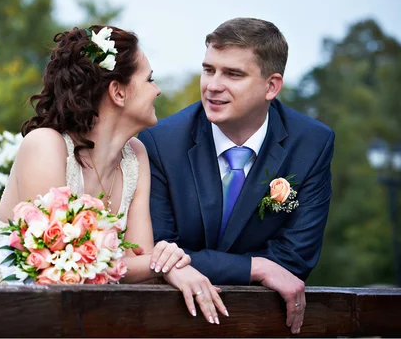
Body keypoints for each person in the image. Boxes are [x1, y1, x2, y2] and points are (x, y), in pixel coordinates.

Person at [0, 25, 227, 324]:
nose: (158, 89)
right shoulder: (46, 146)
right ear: (118, 92)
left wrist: (162, 261)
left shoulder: (136, 156)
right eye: (149, 79)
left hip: (55, 318)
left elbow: (140, 260)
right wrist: (168, 266)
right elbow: (59, 263)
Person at [138, 17, 335, 335]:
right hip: (171, 321)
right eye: (209, 69)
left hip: (262, 325)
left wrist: (201, 262)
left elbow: (296, 257)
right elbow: (158, 252)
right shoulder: (160, 142)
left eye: (233, 74)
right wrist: (258, 267)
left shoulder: (311, 144)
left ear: (271, 86)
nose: (213, 85)